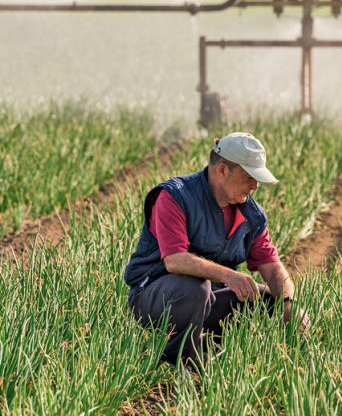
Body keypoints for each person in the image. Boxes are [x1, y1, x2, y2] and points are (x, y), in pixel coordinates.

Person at [123, 131, 308, 367]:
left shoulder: (251, 213)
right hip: (156, 295)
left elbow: (272, 268)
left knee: (270, 300)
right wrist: (229, 275)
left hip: (210, 296)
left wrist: (288, 304)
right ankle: (178, 362)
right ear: (222, 170)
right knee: (195, 290)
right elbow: (175, 260)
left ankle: (224, 350)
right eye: (249, 176)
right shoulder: (175, 196)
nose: (255, 186)